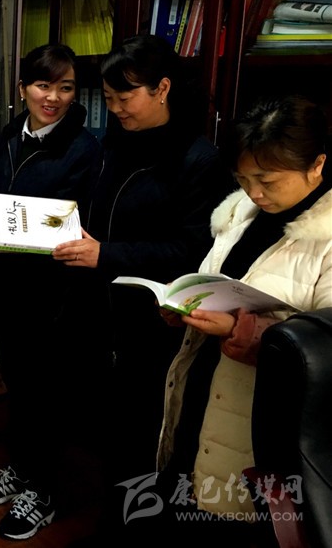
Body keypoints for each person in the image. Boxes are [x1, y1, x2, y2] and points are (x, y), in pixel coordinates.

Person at [50, 34, 234, 536]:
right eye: (108, 98)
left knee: (147, 442)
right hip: (101, 313)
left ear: (163, 88)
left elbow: (192, 252)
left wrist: (106, 254)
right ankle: (112, 524)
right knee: (109, 437)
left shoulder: (198, 158)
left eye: (124, 97)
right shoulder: (116, 142)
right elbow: (100, 213)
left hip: (156, 326)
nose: (115, 109)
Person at [149, 95, 330, 546]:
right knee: (187, 501)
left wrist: (240, 331)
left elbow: (326, 351)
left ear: (317, 165)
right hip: (202, 389)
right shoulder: (241, 212)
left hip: (264, 422)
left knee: (237, 523)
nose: (254, 193)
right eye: (243, 179)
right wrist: (186, 306)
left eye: (266, 180)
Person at [0, 44, 102, 540]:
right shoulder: (10, 135)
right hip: (8, 288)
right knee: (20, 390)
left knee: (47, 398)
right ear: (22, 88)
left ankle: (44, 493)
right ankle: (22, 470)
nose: (53, 97)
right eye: (44, 85)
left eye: (66, 87)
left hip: (52, 295)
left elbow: (66, 223)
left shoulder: (84, 148)